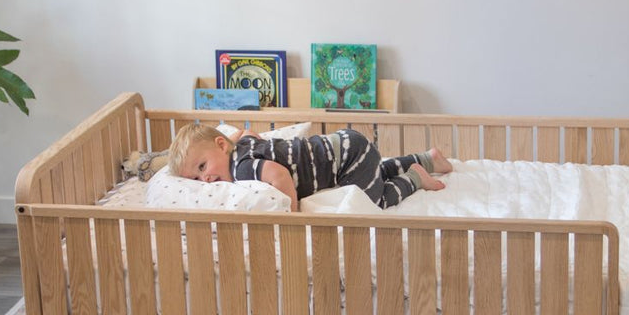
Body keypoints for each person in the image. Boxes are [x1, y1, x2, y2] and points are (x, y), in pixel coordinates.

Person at [168, 124, 452, 211]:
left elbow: (279, 176)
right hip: (344, 148)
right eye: (196, 176)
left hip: (346, 158)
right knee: (375, 173)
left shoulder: (243, 167)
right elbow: (246, 133)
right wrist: (229, 140)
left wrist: (292, 214)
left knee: (375, 200)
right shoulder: (242, 147)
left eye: (203, 166)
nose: (205, 179)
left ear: (220, 146)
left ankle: (415, 178)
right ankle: (428, 158)